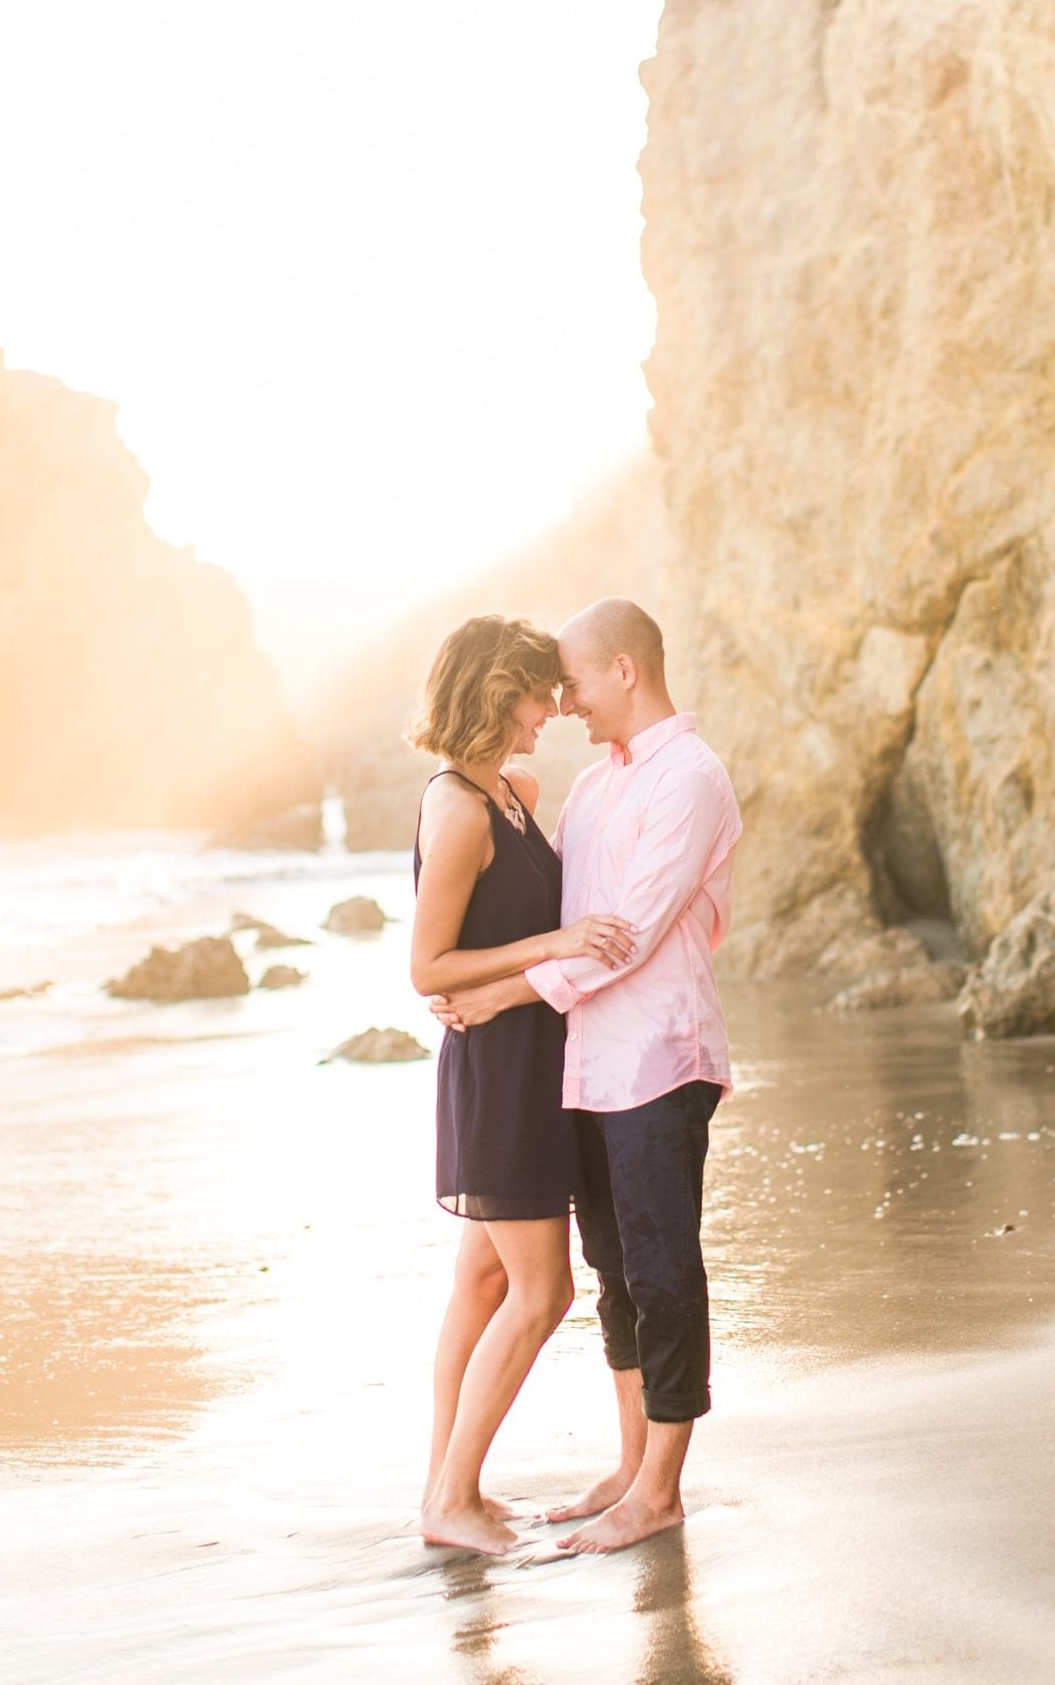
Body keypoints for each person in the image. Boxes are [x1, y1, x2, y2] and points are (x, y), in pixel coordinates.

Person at [430, 598, 742, 1554]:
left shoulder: (690, 779)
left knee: (661, 1270)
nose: (561, 703)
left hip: (659, 1058)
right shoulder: (593, 789)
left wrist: (503, 995)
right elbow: (559, 904)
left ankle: (661, 1491)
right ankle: (628, 1462)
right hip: (586, 1069)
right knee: (614, 1273)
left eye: (571, 682)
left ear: (625, 672)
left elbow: (632, 935)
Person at [410, 613, 637, 1557]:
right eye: (542, 690)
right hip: (498, 1072)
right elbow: (429, 968)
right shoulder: (460, 805)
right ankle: (452, 1498)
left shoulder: (514, 789)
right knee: (542, 1296)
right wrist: (554, 942)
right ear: (500, 688)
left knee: (483, 1281)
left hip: (530, 1060)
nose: (554, 706)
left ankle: (442, 1488)